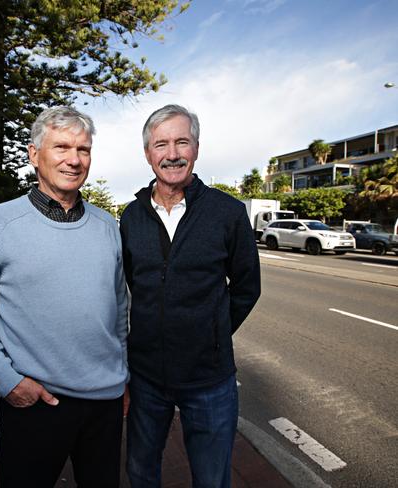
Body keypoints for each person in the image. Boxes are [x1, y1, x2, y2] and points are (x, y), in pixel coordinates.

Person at [0, 106, 129, 487]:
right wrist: (6, 379)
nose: (74, 159)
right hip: (35, 402)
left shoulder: (107, 226)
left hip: (105, 403)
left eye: (83, 149)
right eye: (62, 147)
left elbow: (118, 310)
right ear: (34, 154)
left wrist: (123, 376)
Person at [120, 104, 261, 488]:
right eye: (161, 144)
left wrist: (211, 334)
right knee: (140, 471)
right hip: (146, 377)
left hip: (209, 379)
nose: (172, 154)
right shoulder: (131, 217)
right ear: (148, 153)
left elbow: (247, 287)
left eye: (182, 142)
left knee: (212, 479)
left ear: (196, 148)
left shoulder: (228, 213)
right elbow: (133, 285)